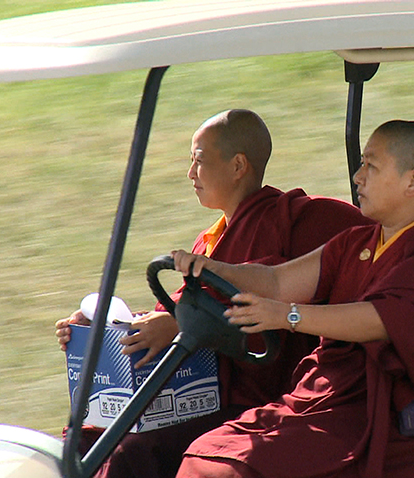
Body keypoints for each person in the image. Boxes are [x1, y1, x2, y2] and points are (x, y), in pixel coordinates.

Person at [171, 120, 414, 478]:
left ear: (413, 182)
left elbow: (381, 319)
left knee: (237, 471)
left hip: (396, 419)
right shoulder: (357, 243)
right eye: (362, 164)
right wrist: (212, 268)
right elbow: (276, 281)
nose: (357, 177)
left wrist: (286, 316)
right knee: (207, 451)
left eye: (371, 166)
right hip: (328, 398)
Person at [55, 109, 372, 478]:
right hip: (191, 388)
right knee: (85, 437)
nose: (190, 174)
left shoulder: (295, 220)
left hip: (241, 397)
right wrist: (102, 329)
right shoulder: (210, 239)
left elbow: (276, 286)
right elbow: (185, 308)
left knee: (132, 452)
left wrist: (175, 324)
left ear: (239, 165)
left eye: (200, 161)